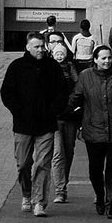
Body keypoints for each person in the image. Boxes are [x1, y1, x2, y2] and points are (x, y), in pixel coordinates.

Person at [0, 34, 70, 217]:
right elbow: (7, 92)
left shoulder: (52, 67)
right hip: (23, 124)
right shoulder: (17, 67)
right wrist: (18, 110)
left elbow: (63, 91)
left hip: (46, 124)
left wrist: (54, 110)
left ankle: (39, 202)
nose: (41, 50)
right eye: (37, 46)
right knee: (23, 163)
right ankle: (26, 193)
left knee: (43, 164)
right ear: (28, 47)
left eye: (42, 46)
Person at [69, 46, 112, 218]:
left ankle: (110, 204)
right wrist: (76, 120)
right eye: (103, 58)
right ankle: (99, 197)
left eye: (109, 58)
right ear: (95, 59)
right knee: (95, 169)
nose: (107, 61)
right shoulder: (85, 77)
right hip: (94, 130)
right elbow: (76, 99)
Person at [49, 43, 80, 204]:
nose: (59, 56)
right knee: (58, 154)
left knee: (68, 152)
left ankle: (63, 184)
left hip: (70, 115)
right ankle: (60, 190)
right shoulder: (48, 68)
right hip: (54, 118)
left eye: (61, 53)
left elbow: (78, 87)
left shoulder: (70, 67)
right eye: (57, 54)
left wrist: (72, 104)